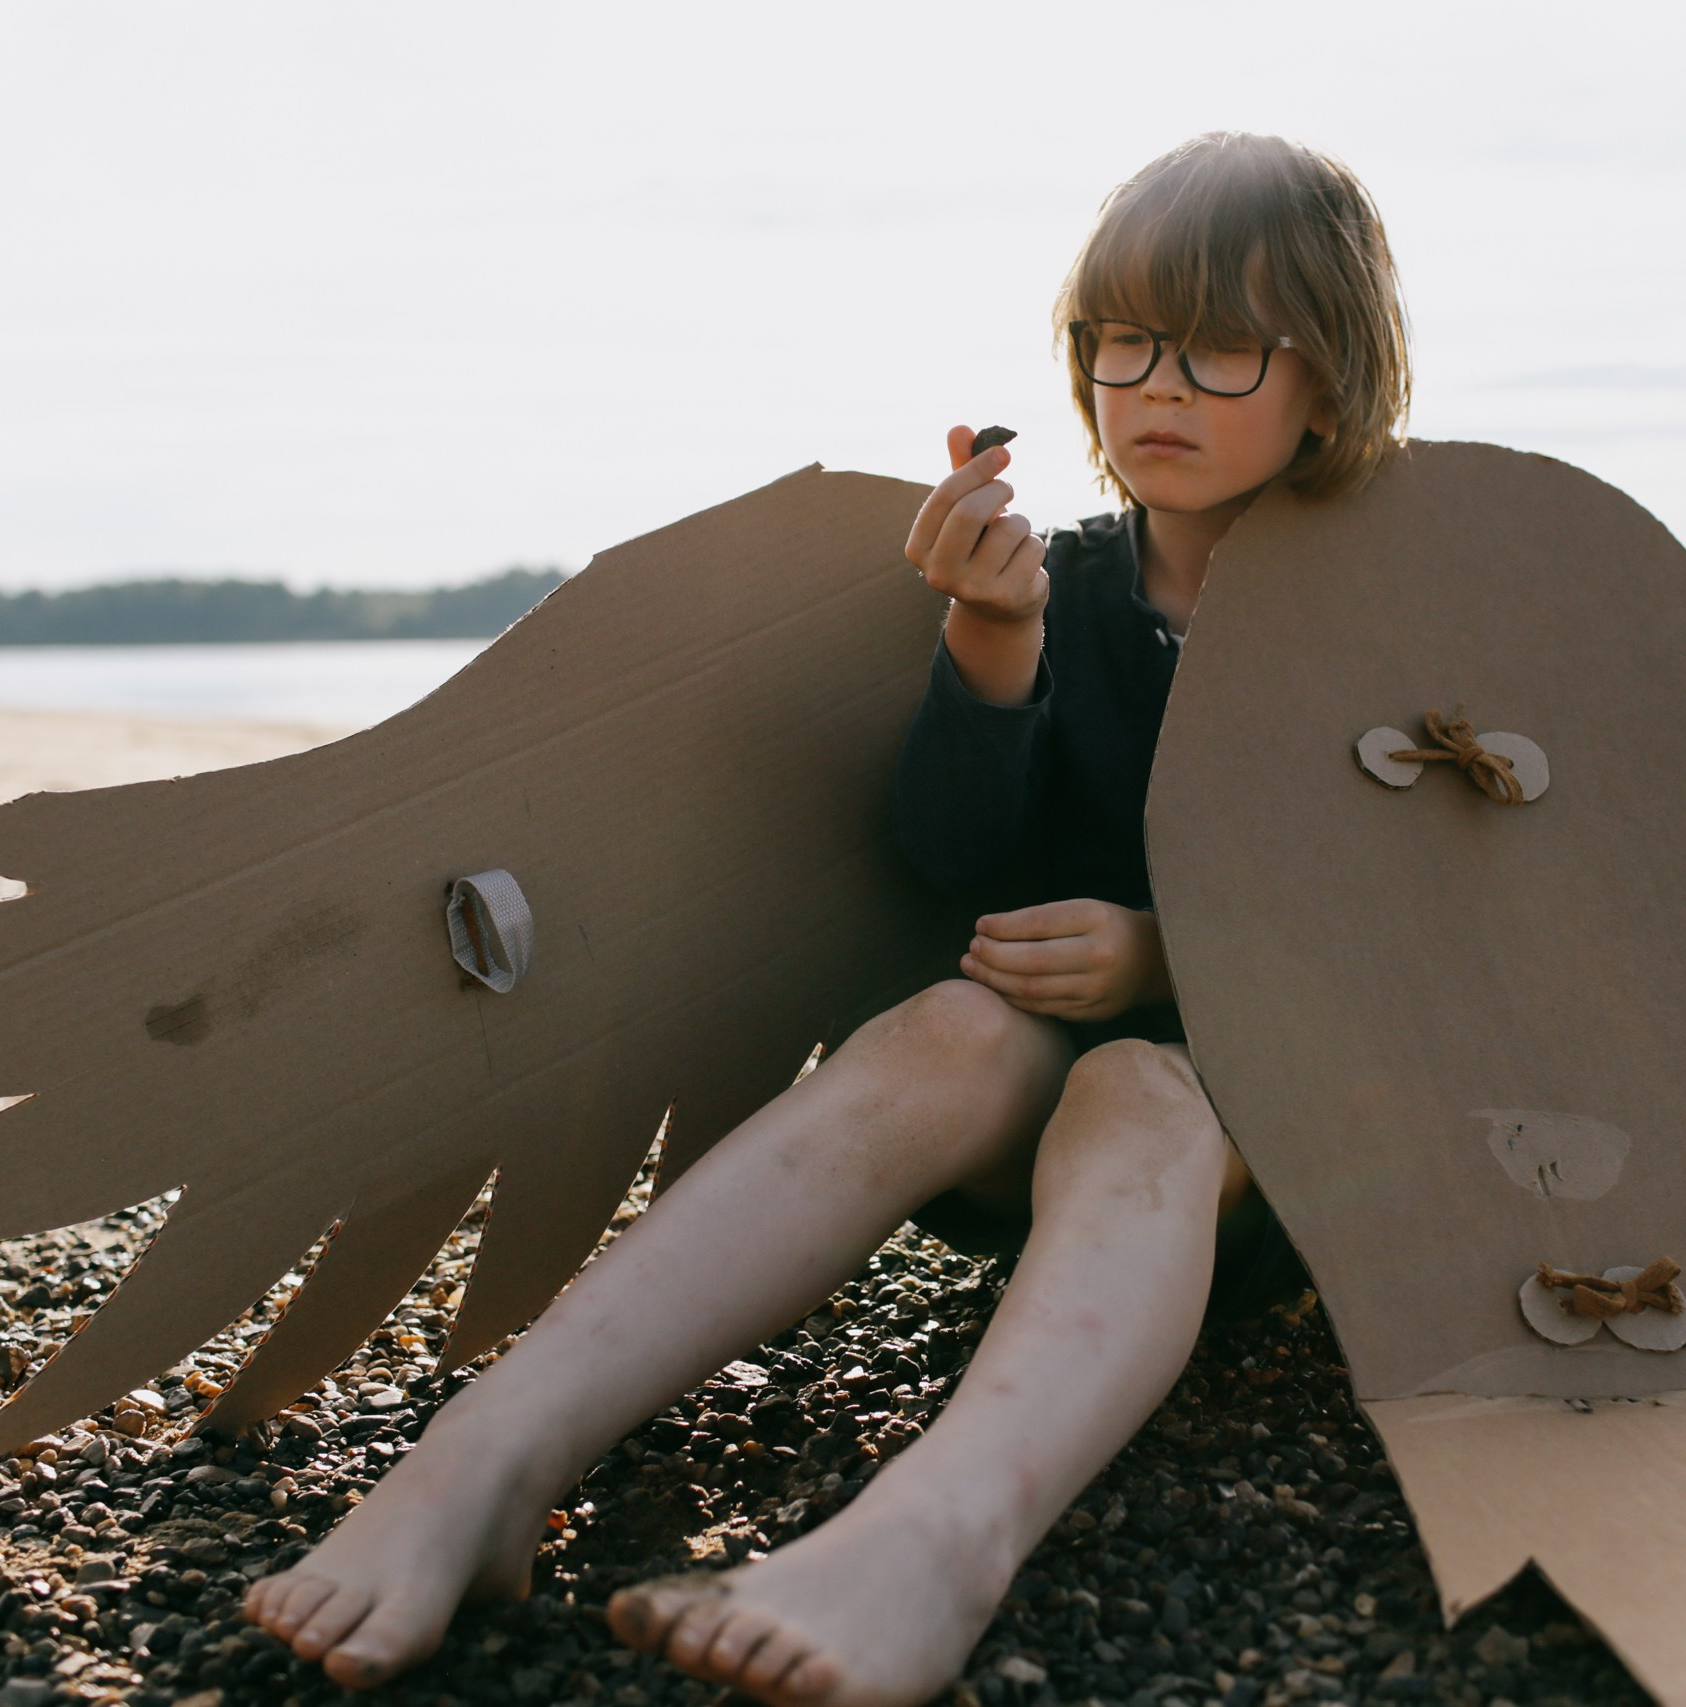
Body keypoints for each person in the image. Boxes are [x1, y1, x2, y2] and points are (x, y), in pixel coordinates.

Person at [240, 130, 1410, 1705]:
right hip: (1035, 1142)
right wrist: (994, 643)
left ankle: (938, 1538)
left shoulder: (1401, 606)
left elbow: (1441, 922)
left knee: (1146, 1082)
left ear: (1328, 378)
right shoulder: (1056, 581)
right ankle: (494, 1452)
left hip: (1284, 1160)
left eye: (1216, 347)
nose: (1156, 387)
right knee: (941, 1025)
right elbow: (945, 857)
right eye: (1119, 341)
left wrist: (1171, 956)